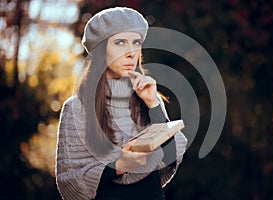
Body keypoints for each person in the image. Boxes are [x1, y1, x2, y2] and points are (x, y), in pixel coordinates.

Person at [55, 7, 187, 200]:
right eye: (120, 42)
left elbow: (170, 158)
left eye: (136, 43)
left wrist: (153, 104)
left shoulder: (150, 98)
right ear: (101, 50)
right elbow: (69, 180)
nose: (131, 53)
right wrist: (118, 166)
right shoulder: (76, 107)